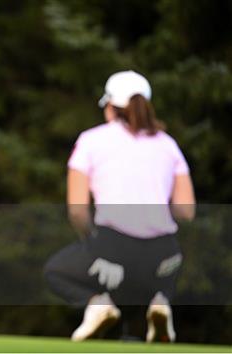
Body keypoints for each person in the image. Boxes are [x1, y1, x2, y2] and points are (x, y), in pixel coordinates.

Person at [44, 70, 195, 342]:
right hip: (164, 253)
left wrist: (92, 243)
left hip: (112, 247)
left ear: (111, 106)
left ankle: (98, 306)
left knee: (56, 271)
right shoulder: (169, 145)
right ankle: (160, 301)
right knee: (155, 273)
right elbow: (186, 211)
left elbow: (77, 211)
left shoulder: (91, 140)